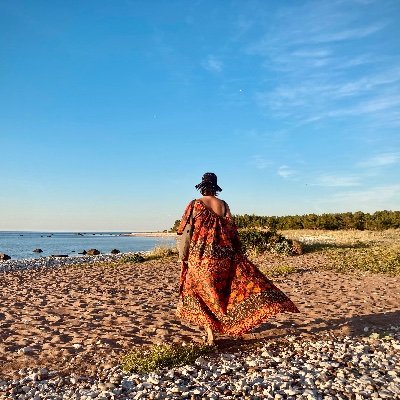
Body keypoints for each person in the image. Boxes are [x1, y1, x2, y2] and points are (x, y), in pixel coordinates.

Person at [176, 172, 299, 345]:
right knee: (220, 293)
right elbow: (232, 232)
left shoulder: (195, 204)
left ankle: (210, 332)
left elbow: (185, 230)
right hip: (223, 257)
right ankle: (224, 325)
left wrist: (183, 255)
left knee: (197, 292)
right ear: (216, 188)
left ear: (201, 186)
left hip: (200, 256)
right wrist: (236, 253)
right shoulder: (223, 205)